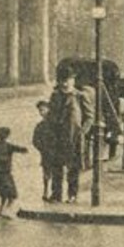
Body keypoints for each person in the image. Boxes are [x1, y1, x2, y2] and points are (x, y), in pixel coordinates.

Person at [47, 74, 86, 202]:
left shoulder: (79, 96)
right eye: (62, 81)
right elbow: (50, 114)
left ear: (73, 81)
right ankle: (56, 194)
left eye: (67, 80)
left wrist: (82, 131)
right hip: (57, 137)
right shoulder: (55, 96)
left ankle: (72, 195)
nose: (65, 84)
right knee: (56, 167)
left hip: (73, 137)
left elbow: (89, 116)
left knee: (73, 168)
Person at [0, 126, 29, 218]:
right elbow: (21, 149)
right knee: (12, 195)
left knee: (4, 194)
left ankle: (1, 211)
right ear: (7, 135)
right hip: (4, 173)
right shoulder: (7, 146)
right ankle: (5, 211)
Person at [31, 100, 61, 202]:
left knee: (56, 173)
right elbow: (35, 141)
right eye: (39, 111)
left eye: (42, 110)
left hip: (56, 152)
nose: (41, 113)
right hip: (46, 153)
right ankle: (46, 192)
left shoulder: (55, 123)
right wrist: (42, 148)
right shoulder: (39, 126)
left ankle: (55, 194)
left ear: (48, 109)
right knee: (46, 174)